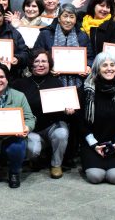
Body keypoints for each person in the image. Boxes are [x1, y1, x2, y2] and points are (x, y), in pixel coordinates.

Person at [13, 50, 72, 179]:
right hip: (30, 129)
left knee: (61, 133)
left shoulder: (57, 83)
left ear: (49, 64)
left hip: (51, 126)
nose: (40, 64)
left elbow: (64, 108)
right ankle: (35, 159)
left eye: (44, 61)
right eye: (37, 61)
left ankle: (56, 164)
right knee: (34, 150)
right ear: (31, 64)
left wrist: (68, 110)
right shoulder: (20, 84)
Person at [80, 52, 115, 184]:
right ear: (97, 69)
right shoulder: (87, 89)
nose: (109, 68)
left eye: (112, 65)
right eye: (104, 65)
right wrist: (94, 144)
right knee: (95, 177)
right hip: (92, 143)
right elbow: (80, 121)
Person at [32, 4, 94, 88]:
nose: (68, 20)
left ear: (75, 20)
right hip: (50, 81)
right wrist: (49, 67)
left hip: (77, 83)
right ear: (59, 18)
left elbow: (90, 58)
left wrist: (88, 67)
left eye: (72, 17)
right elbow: (35, 55)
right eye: (65, 16)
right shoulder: (45, 34)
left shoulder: (82, 36)